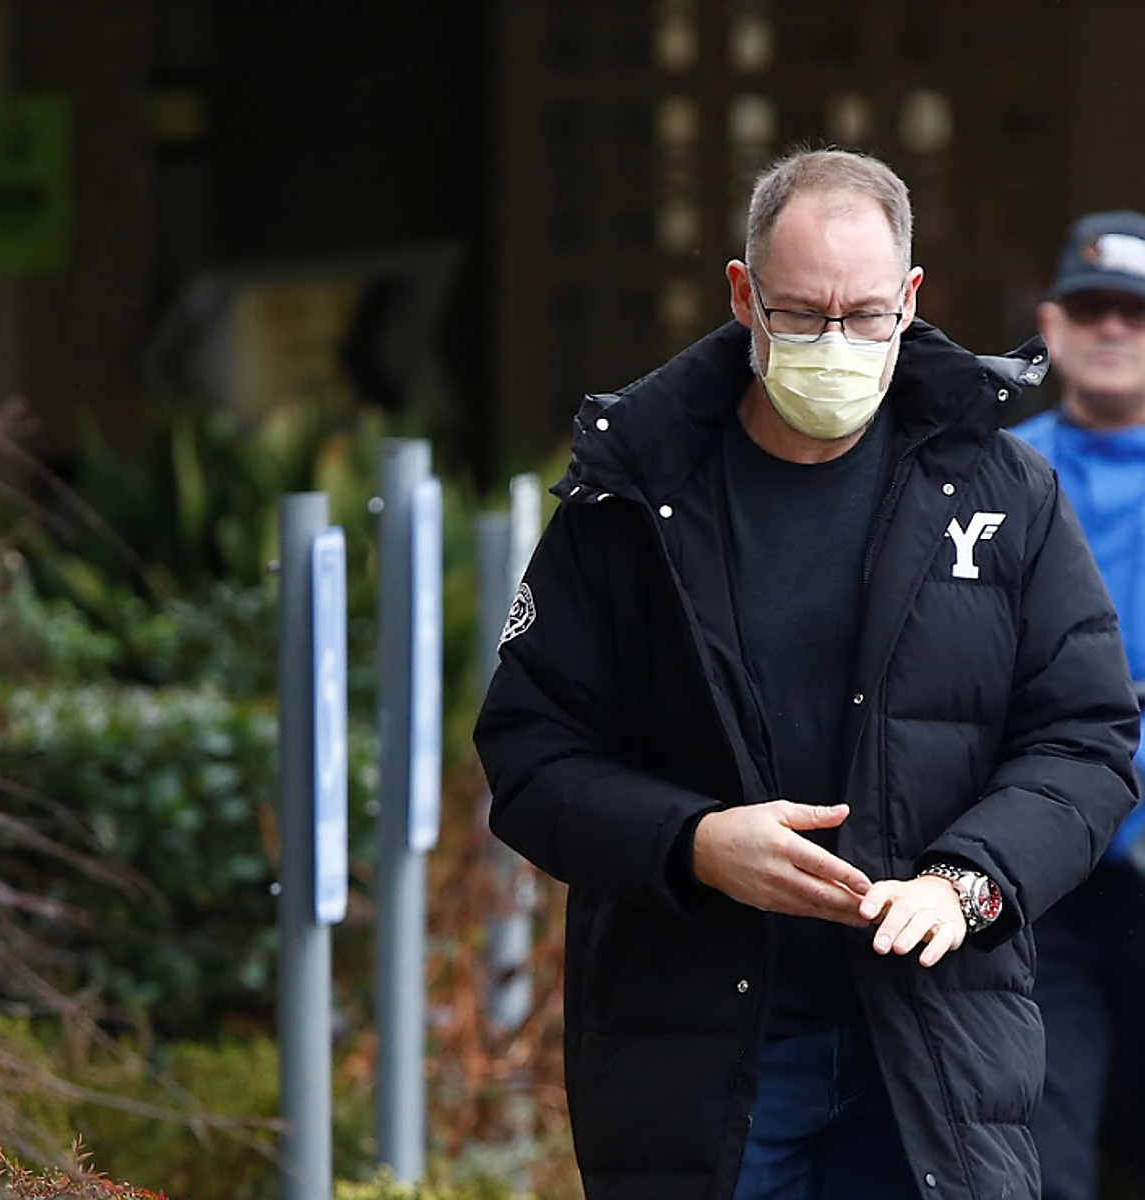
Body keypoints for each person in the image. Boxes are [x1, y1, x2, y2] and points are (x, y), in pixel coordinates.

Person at [474, 148, 1140, 1200]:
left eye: (867, 315)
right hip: (699, 1051)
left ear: (912, 301)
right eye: (801, 313)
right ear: (743, 296)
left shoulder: (1008, 496)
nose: (836, 343)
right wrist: (692, 844)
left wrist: (968, 882)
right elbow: (528, 755)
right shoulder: (627, 508)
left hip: (932, 1047)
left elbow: (1087, 739)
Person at [1012, 211, 1145, 1200]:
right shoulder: (989, 474)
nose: (1113, 330)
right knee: (1045, 1154)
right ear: (1051, 327)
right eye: (1093, 310)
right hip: (1044, 872)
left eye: (1134, 314)